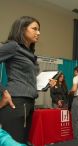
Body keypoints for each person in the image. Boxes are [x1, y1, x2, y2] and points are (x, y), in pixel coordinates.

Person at [0, 16, 40, 144]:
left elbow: (26, 78)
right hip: (16, 102)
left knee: (23, 142)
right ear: (22, 29)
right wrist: (3, 92)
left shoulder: (28, 52)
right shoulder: (13, 46)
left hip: (29, 102)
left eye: (39, 30)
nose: (38, 33)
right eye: (34, 29)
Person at [69, 66, 78, 139]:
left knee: (76, 120)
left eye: (74, 72)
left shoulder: (76, 77)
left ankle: (77, 140)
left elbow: (74, 89)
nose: (74, 73)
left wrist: (69, 92)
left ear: (76, 71)